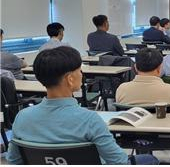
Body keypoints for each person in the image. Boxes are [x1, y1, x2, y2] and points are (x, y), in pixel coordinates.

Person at [6, 46, 159, 164]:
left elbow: (13, 161)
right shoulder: (89, 119)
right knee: (148, 160)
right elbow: (119, 162)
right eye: (80, 70)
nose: (82, 74)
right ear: (70, 79)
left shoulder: (22, 117)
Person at [116, 48, 170, 113]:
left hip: (129, 127)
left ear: (135, 67)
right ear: (159, 68)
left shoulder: (122, 89)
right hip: (164, 126)